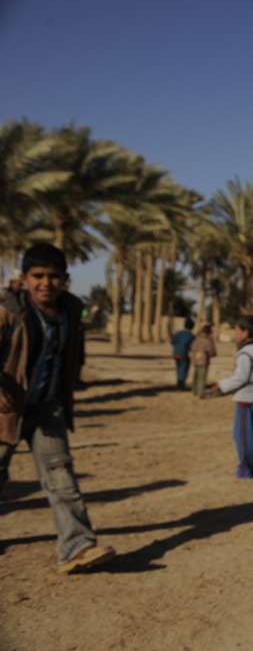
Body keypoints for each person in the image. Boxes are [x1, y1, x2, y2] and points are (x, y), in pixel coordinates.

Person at [0, 243, 116, 573]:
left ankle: (77, 545)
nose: (45, 283)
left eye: (53, 277)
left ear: (65, 279)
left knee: (61, 476)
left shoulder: (70, 310)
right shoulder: (7, 310)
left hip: (48, 408)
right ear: (24, 278)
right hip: (6, 411)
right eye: (37, 276)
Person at [209, 315, 253, 478]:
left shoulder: (246, 352)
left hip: (246, 401)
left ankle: (246, 470)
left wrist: (222, 385)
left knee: (244, 438)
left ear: (245, 332)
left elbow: (241, 377)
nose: (235, 334)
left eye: (237, 330)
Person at [189, 325, 217, 398]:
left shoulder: (196, 340)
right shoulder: (207, 341)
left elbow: (192, 348)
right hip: (203, 361)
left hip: (195, 360)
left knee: (196, 376)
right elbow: (211, 352)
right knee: (202, 378)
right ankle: (200, 392)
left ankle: (194, 390)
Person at [169, 318, 197, 390]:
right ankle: (181, 384)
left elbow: (172, 341)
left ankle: (179, 382)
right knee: (184, 369)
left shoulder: (178, 333)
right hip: (184, 354)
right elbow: (193, 346)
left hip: (176, 353)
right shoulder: (191, 336)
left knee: (178, 368)